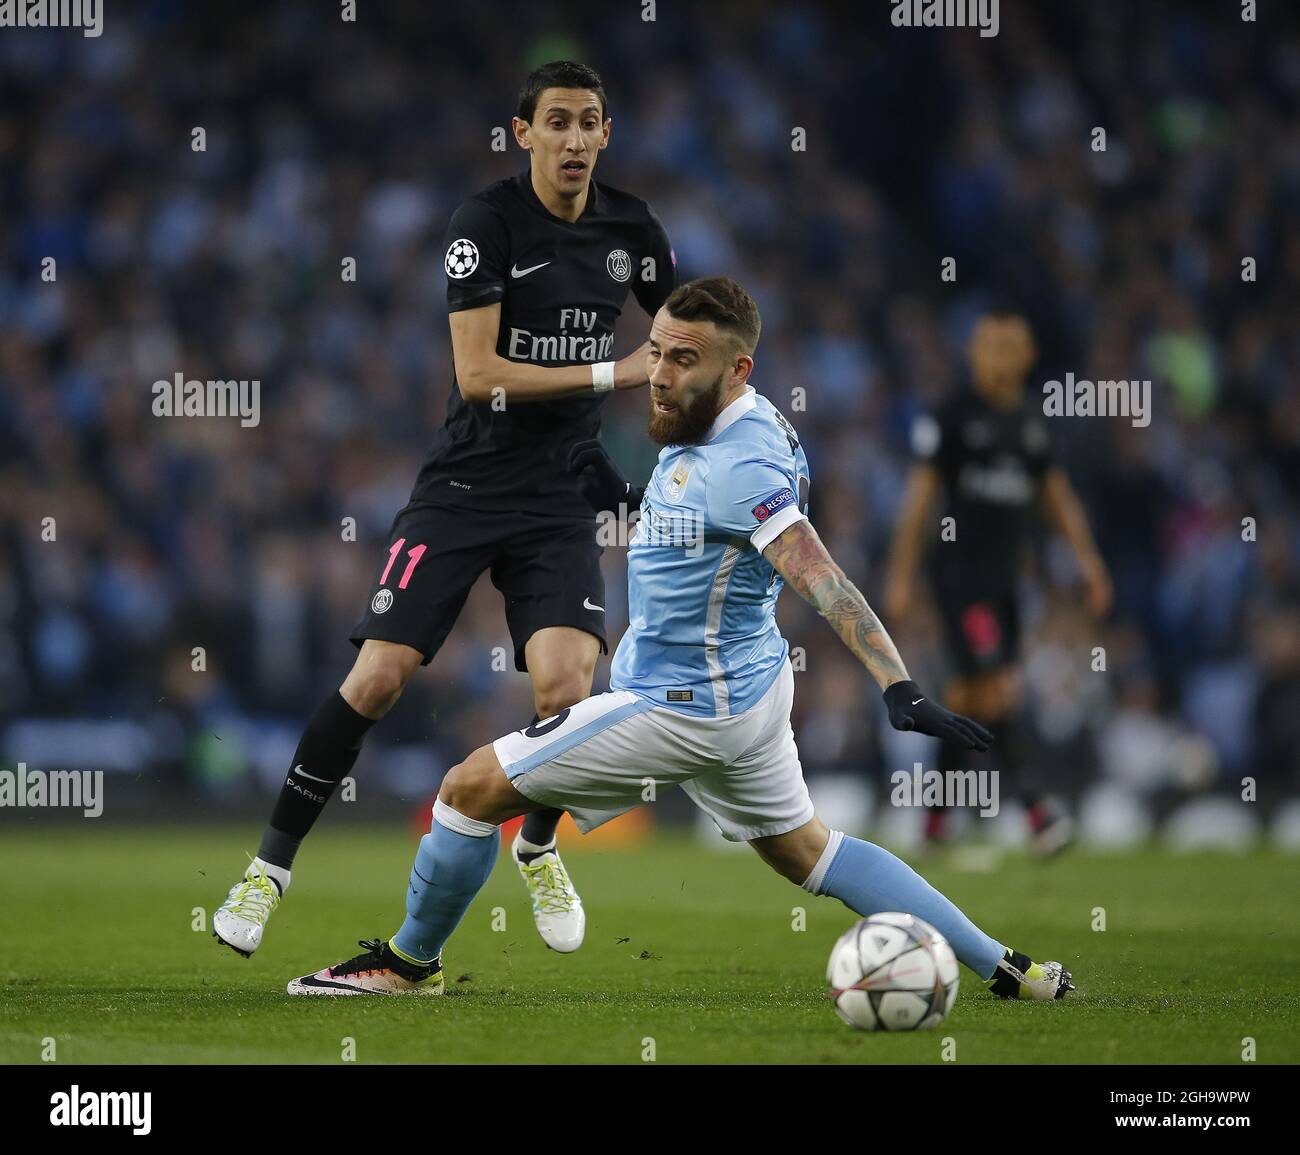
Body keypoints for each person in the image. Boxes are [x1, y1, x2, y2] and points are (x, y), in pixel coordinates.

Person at [286, 278, 1074, 1003]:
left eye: (683, 359)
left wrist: (896, 685)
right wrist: (627, 497)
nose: (658, 373)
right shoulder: (723, 420)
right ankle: (1010, 967)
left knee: (464, 792)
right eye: (656, 350)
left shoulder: (743, 458)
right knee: (809, 851)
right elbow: (712, 531)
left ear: (739, 369)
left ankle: (407, 962)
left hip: (683, 705)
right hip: (752, 687)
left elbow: (821, 576)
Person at [212, 61, 676, 959]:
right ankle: (267, 871)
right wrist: (616, 371)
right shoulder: (485, 224)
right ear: (523, 133)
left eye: (590, 123)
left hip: (559, 495)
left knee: (566, 690)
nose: (575, 138)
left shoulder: (634, 228)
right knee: (379, 676)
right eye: (558, 122)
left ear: (606, 135)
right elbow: (479, 375)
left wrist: (722, 379)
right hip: (463, 486)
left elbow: (682, 332)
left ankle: (537, 844)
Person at [884, 313, 1112, 855]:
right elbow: (919, 502)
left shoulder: (1030, 426)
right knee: (1000, 687)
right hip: (960, 579)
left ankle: (936, 823)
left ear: (1026, 357)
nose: (999, 358)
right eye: (990, 347)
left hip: (1007, 581)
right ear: (974, 355)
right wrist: (900, 574)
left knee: (967, 695)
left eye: (1010, 348)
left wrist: (1089, 561)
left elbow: (1056, 496)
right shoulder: (954, 417)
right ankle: (1037, 811)